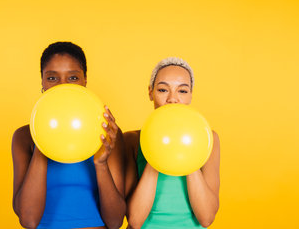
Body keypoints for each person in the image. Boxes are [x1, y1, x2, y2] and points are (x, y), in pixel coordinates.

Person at [12, 42, 126, 229]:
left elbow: (115, 222)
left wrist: (101, 163)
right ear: (42, 82)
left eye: (72, 77)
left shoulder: (108, 134)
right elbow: (29, 220)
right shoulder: (24, 136)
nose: (63, 86)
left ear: (85, 81)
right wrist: (44, 139)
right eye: (52, 78)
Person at [124, 57, 220, 229]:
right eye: (163, 90)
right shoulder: (131, 140)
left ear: (191, 95)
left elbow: (206, 218)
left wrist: (189, 145)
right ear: (150, 92)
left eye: (182, 91)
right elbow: (135, 220)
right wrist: (157, 145)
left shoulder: (209, 138)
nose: (173, 99)